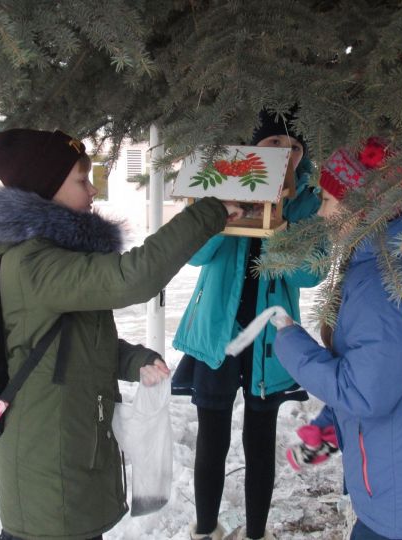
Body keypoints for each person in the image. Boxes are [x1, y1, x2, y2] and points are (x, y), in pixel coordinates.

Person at [0, 128, 243, 540]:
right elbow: (133, 278)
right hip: (50, 474)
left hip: (69, 453)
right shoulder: (33, 262)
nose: (93, 190)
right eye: (81, 179)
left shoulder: (49, 256)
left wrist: (134, 360)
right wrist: (207, 212)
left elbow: (70, 345)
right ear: (47, 188)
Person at [272, 138, 402, 540]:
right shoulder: (400, 264)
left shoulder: (379, 283)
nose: (322, 210)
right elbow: (382, 374)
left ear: (363, 210)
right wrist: (332, 426)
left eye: (330, 199)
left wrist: (289, 344)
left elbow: (368, 394)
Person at [171, 108, 323, 540]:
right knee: (212, 438)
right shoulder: (222, 185)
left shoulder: (308, 200)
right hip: (218, 334)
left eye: (294, 147)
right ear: (254, 148)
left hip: (270, 343)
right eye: (274, 143)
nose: (286, 153)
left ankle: (256, 534)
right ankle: (205, 530)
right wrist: (228, 214)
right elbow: (195, 255)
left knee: (260, 442)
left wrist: (284, 227)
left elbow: (313, 274)